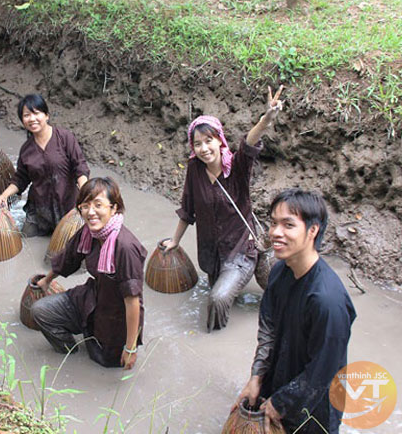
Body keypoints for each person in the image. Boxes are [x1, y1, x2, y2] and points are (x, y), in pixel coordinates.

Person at [162, 87, 285, 332]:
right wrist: (175, 241)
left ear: (220, 140)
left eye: (209, 141)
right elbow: (188, 208)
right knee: (219, 291)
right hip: (211, 253)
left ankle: (213, 338)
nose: (204, 148)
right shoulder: (195, 169)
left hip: (240, 251)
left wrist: (266, 120)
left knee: (217, 299)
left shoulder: (237, 167)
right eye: (197, 144)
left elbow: (249, 144)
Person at [233, 189, 356, 433]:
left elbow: (324, 370)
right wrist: (256, 377)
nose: (275, 233)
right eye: (273, 223)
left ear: (313, 231)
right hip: (280, 379)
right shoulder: (279, 272)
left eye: (288, 225)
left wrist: (281, 403)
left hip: (315, 404)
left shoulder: (327, 300)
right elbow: (268, 328)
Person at [32, 177, 146, 369]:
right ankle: (71, 354)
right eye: (85, 206)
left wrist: (131, 348)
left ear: (114, 208)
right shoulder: (89, 233)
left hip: (115, 318)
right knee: (40, 311)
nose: (90, 212)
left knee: (105, 363)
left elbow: (133, 302)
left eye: (98, 205)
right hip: (90, 299)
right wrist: (47, 280)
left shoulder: (125, 247)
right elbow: (69, 258)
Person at [0, 94, 90, 237]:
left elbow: (80, 167)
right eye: (26, 115)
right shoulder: (26, 149)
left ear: (46, 115)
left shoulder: (65, 138)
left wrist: (85, 193)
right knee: (26, 238)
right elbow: (20, 180)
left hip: (68, 206)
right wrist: (3, 196)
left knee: (70, 241)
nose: (32, 119)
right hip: (39, 210)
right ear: (22, 121)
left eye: (36, 113)